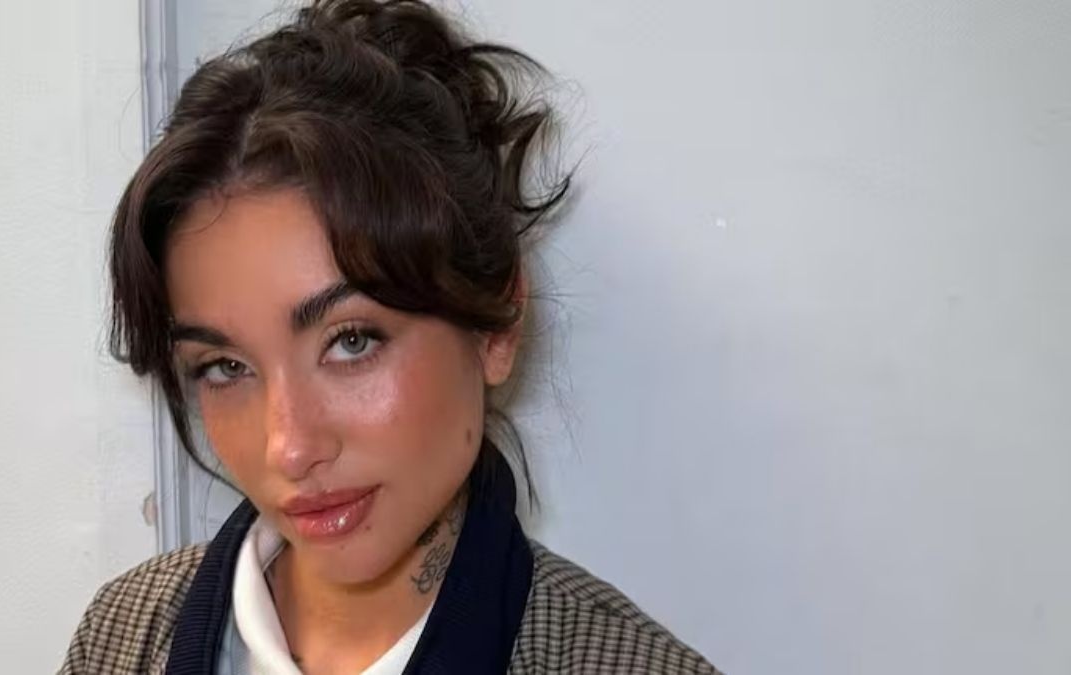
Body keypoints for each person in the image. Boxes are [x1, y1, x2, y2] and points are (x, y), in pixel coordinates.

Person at [59, 1, 718, 672]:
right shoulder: (120, 638)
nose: (290, 447)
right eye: (225, 366)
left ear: (496, 322)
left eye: (351, 341)